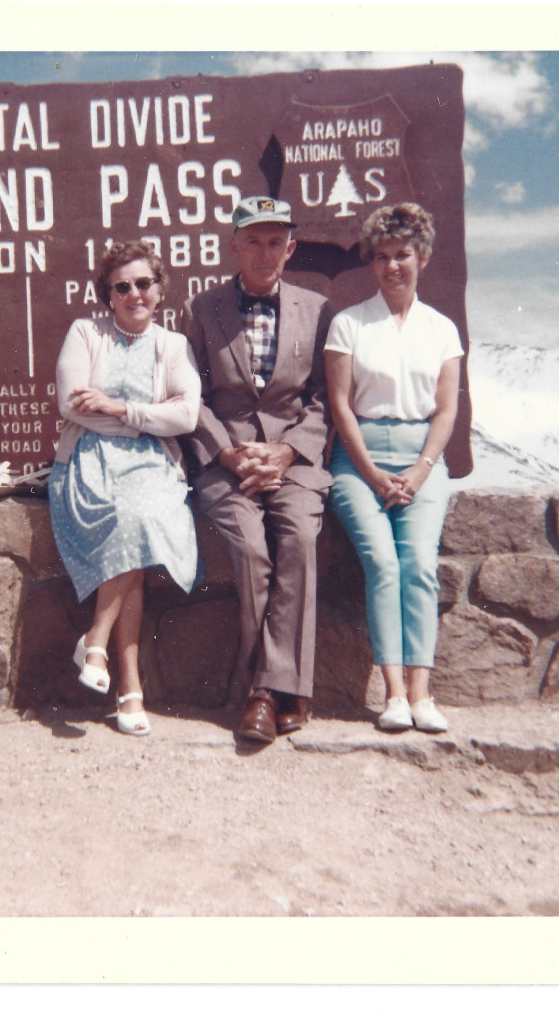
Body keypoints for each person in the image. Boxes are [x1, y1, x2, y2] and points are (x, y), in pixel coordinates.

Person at [181, 196, 334, 743]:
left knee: (298, 537)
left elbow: (324, 398)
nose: (264, 252)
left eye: (275, 241)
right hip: (228, 462)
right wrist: (227, 452)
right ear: (234, 246)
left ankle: (266, 694)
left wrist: (288, 453)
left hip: (293, 461)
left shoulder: (317, 310)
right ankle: (279, 688)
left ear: (289, 248)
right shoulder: (204, 309)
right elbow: (189, 395)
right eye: (253, 240)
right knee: (249, 548)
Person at [49, 240, 203, 737]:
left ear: (159, 290)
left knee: (139, 514)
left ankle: (96, 642)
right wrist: (143, 424)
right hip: (88, 462)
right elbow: (72, 405)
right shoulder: (85, 332)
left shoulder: (172, 346)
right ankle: (130, 688)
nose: (135, 293)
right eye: (123, 286)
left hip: (154, 467)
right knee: (131, 523)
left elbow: (186, 415)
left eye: (144, 283)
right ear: (108, 295)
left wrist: (119, 411)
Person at [324, 203, 464, 733]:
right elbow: (340, 406)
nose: (391, 266)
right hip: (358, 462)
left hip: (422, 460)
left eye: (402, 254)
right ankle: (394, 695)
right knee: (382, 564)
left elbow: (446, 409)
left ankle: (423, 694)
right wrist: (373, 473)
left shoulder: (441, 330)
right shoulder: (349, 324)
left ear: (421, 257)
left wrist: (422, 470)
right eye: (381, 257)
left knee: (419, 567)